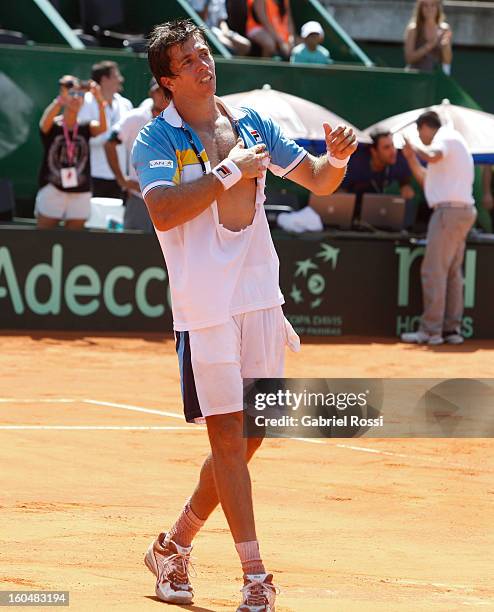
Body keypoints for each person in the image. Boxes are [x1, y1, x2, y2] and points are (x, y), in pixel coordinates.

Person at [131, 19, 357, 610]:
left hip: (260, 295)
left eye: (204, 53)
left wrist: (335, 161)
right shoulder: (155, 141)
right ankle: (255, 575)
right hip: (205, 307)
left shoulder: (252, 123)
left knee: (251, 435)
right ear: (166, 80)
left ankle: (173, 544)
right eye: (188, 61)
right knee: (228, 438)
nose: (204, 64)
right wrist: (229, 170)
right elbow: (163, 212)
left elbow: (316, 179)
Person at [401, 111, 476, 346]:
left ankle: (431, 331)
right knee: (452, 273)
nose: (421, 138)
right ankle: (451, 330)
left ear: (424, 127)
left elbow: (431, 156)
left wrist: (412, 143)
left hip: (448, 214)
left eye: (419, 133)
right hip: (461, 212)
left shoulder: (445, 137)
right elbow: (428, 182)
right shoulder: (453, 142)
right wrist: (412, 158)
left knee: (434, 271)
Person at [35, 77, 107, 229]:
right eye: (72, 94)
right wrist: (61, 99)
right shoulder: (53, 125)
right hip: (53, 188)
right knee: (42, 240)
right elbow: (43, 124)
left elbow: (102, 128)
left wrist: (99, 100)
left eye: (80, 95)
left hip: (80, 192)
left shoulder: (86, 126)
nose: (76, 98)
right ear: (64, 97)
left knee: (73, 242)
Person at [104, 78, 167, 232]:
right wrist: (122, 180)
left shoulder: (179, 118)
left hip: (170, 197)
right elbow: (110, 142)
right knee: (134, 249)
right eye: (158, 91)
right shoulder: (136, 118)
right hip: (140, 198)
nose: (162, 95)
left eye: (166, 91)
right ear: (151, 93)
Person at [78, 60, 133, 199]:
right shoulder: (85, 102)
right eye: (116, 76)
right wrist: (111, 139)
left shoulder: (125, 104)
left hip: (119, 177)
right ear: (104, 79)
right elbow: (84, 138)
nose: (121, 79)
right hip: (92, 175)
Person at [342, 130, 414, 214]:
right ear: (374, 151)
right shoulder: (356, 163)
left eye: (393, 145)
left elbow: (406, 184)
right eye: (386, 147)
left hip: (380, 212)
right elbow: (340, 191)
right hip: (352, 210)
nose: (393, 151)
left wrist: (405, 187)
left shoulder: (399, 160)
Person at [404, 0, 453, 75]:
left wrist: (445, 46)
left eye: (433, 5)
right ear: (420, 8)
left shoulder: (445, 28)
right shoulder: (413, 29)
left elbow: (447, 61)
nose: (429, 8)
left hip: (436, 79)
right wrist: (430, 45)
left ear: (437, 7)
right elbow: (409, 59)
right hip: (415, 78)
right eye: (425, 5)